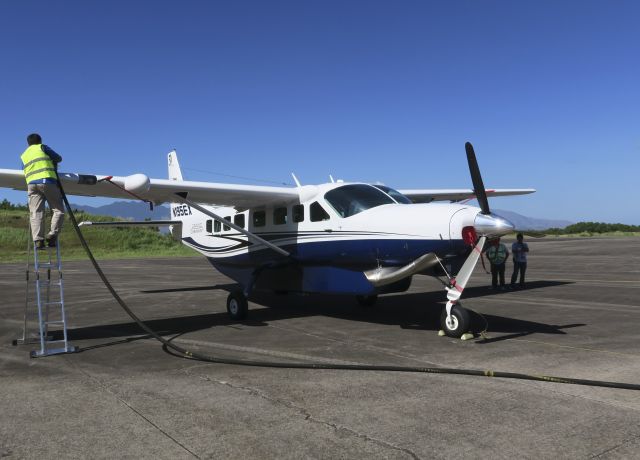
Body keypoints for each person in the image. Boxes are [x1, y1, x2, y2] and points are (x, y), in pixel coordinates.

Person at [20, 133, 65, 249]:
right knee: (58, 210)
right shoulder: (42, 147)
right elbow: (59, 158)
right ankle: (52, 235)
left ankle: (38, 240)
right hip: (46, 181)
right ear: (40, 141)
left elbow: (24, 169)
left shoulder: (24, 155)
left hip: (31, 184)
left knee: (36, 212)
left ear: (28, 143)